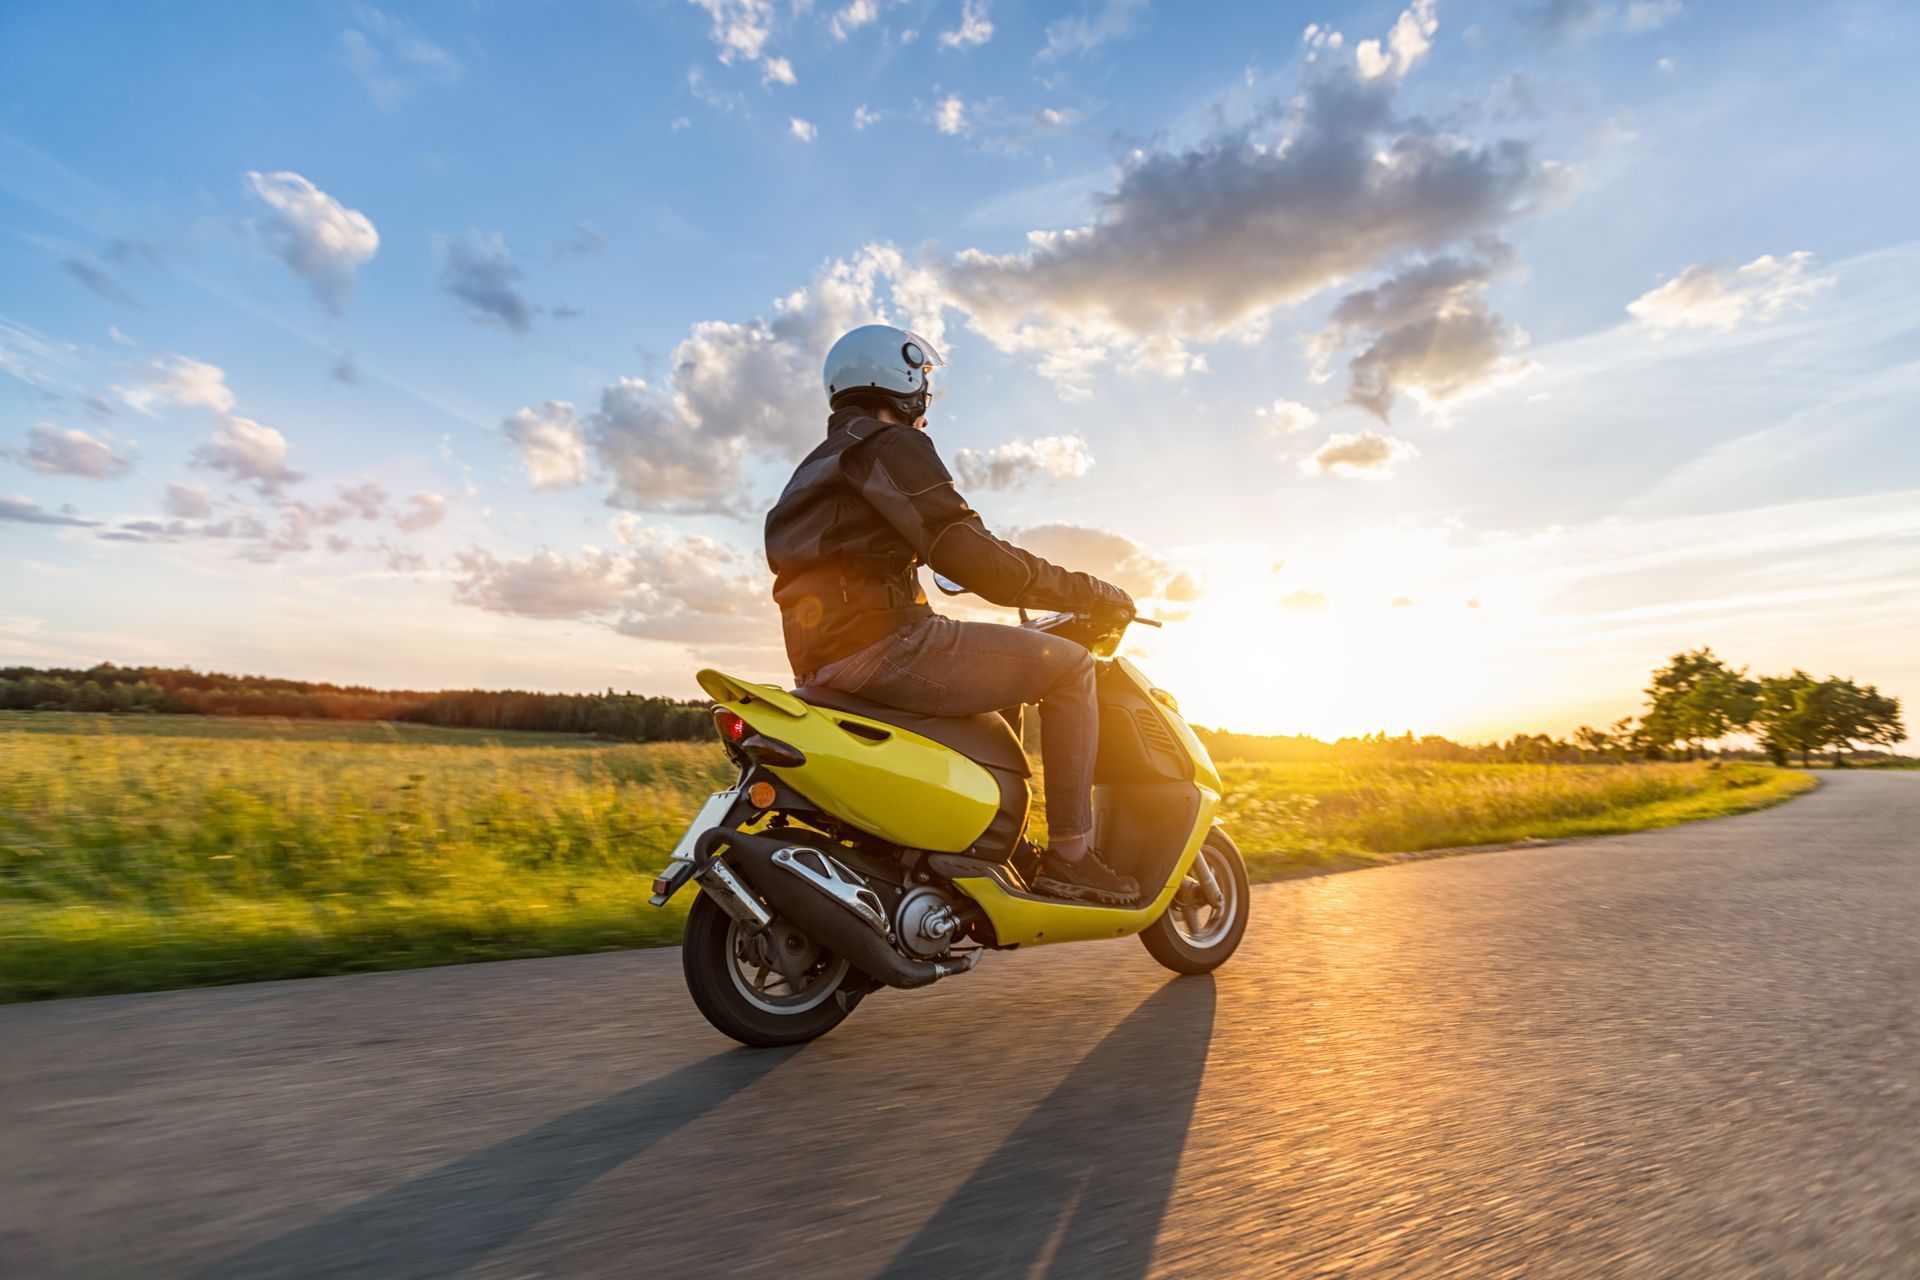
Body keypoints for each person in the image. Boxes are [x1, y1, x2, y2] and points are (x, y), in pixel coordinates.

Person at [764, 323, 1140, 905]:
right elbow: (971, 554)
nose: (926, 404)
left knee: (1000, 681)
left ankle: (988, 841)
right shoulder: (889, 445)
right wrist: (1085, 590)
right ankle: (1071, 856)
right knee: (1067, 667)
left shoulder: (815, 468)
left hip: (818, 664)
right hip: (887, 646)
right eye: (923, 384)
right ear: (900, 377)